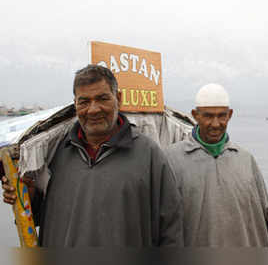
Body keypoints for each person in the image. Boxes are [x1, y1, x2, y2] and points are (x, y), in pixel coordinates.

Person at [1, 65, 183, 247]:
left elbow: (171, 228)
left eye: (102, 99)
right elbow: (37, 216)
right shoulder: (55, 151)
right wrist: (26, 195)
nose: (93, 109)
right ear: (75, 105)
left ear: (118, 98)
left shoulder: (149, 154)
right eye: (84, 101)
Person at [164, 83, 268, 247]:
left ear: (230, 115)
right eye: (208, 116)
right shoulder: (171, 160)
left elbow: (265, 219)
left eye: (221, 116)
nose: (215, 124)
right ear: (195, 115)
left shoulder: (246, 161)